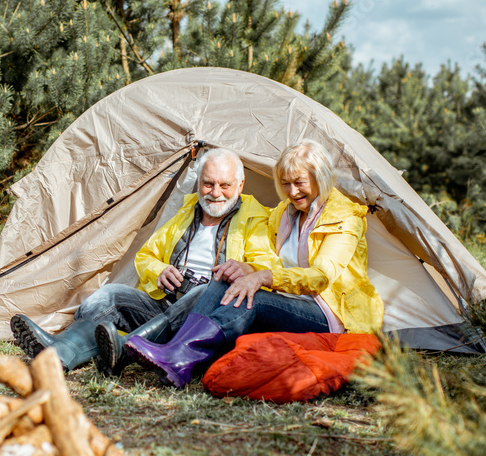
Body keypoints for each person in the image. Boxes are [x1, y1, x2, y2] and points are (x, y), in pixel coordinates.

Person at [125, 140, 384, 388]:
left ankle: (180, 354)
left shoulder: (345, 218)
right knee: (226, 278)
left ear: (321, 178)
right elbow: (264, 254)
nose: (293, 192)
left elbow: (321, 276)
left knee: (253, 300)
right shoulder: (285, 212)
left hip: (331, 314)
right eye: (286, 184)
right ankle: (177, 354)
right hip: (288, 301)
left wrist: (263, 277)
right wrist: (248, 270)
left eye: (300, 183)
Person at [10, 148, 277, 373]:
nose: (215, 192)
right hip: (168, 302)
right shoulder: (188, 212)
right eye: (208, 183)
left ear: (240, 186)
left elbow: (268, 267)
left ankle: (126, 348)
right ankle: (59, 353)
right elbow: (146, 255)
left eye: (225, 185)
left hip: (203, 317)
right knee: (108, 296)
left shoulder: (255, 219)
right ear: (199, 183)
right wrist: (159, 270)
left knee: (203, 290)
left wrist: (248, 268)